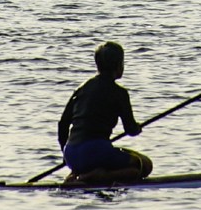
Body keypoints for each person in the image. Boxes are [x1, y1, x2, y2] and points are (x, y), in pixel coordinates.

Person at [57, 41, 152, 186]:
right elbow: (131, 130)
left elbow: (63, 125)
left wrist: (65, 155)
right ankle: (96, 176)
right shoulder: (119, 93)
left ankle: (77, 174)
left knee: (100, 156)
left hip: (71, 153)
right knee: (143, 165)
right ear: (119, 66)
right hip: (96, 152)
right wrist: (137, 128)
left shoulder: (82, 89)